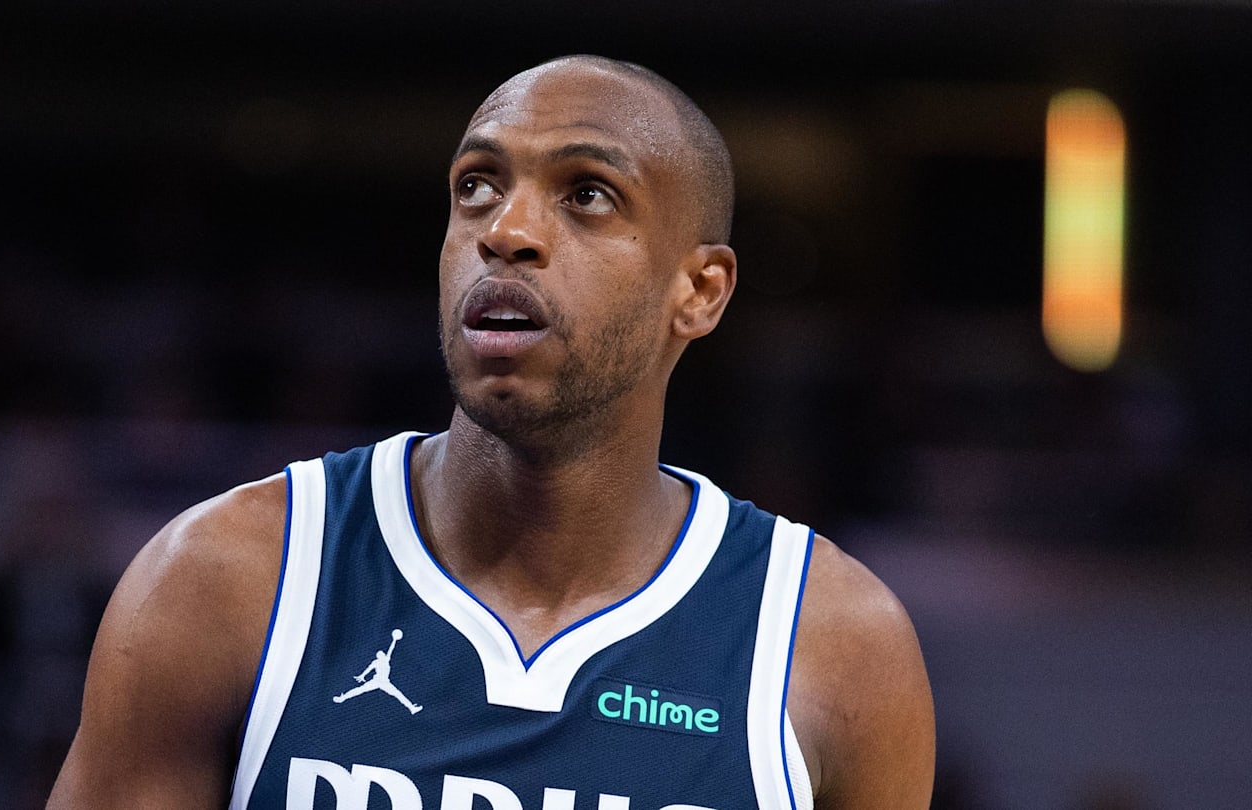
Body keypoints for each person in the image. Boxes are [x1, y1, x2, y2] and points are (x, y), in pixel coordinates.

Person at [48, 54, 935, 809]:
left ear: (698, 292)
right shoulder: (224, 579)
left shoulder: (835, 646)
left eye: (587, 195)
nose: (506, 231)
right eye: (477, 186)